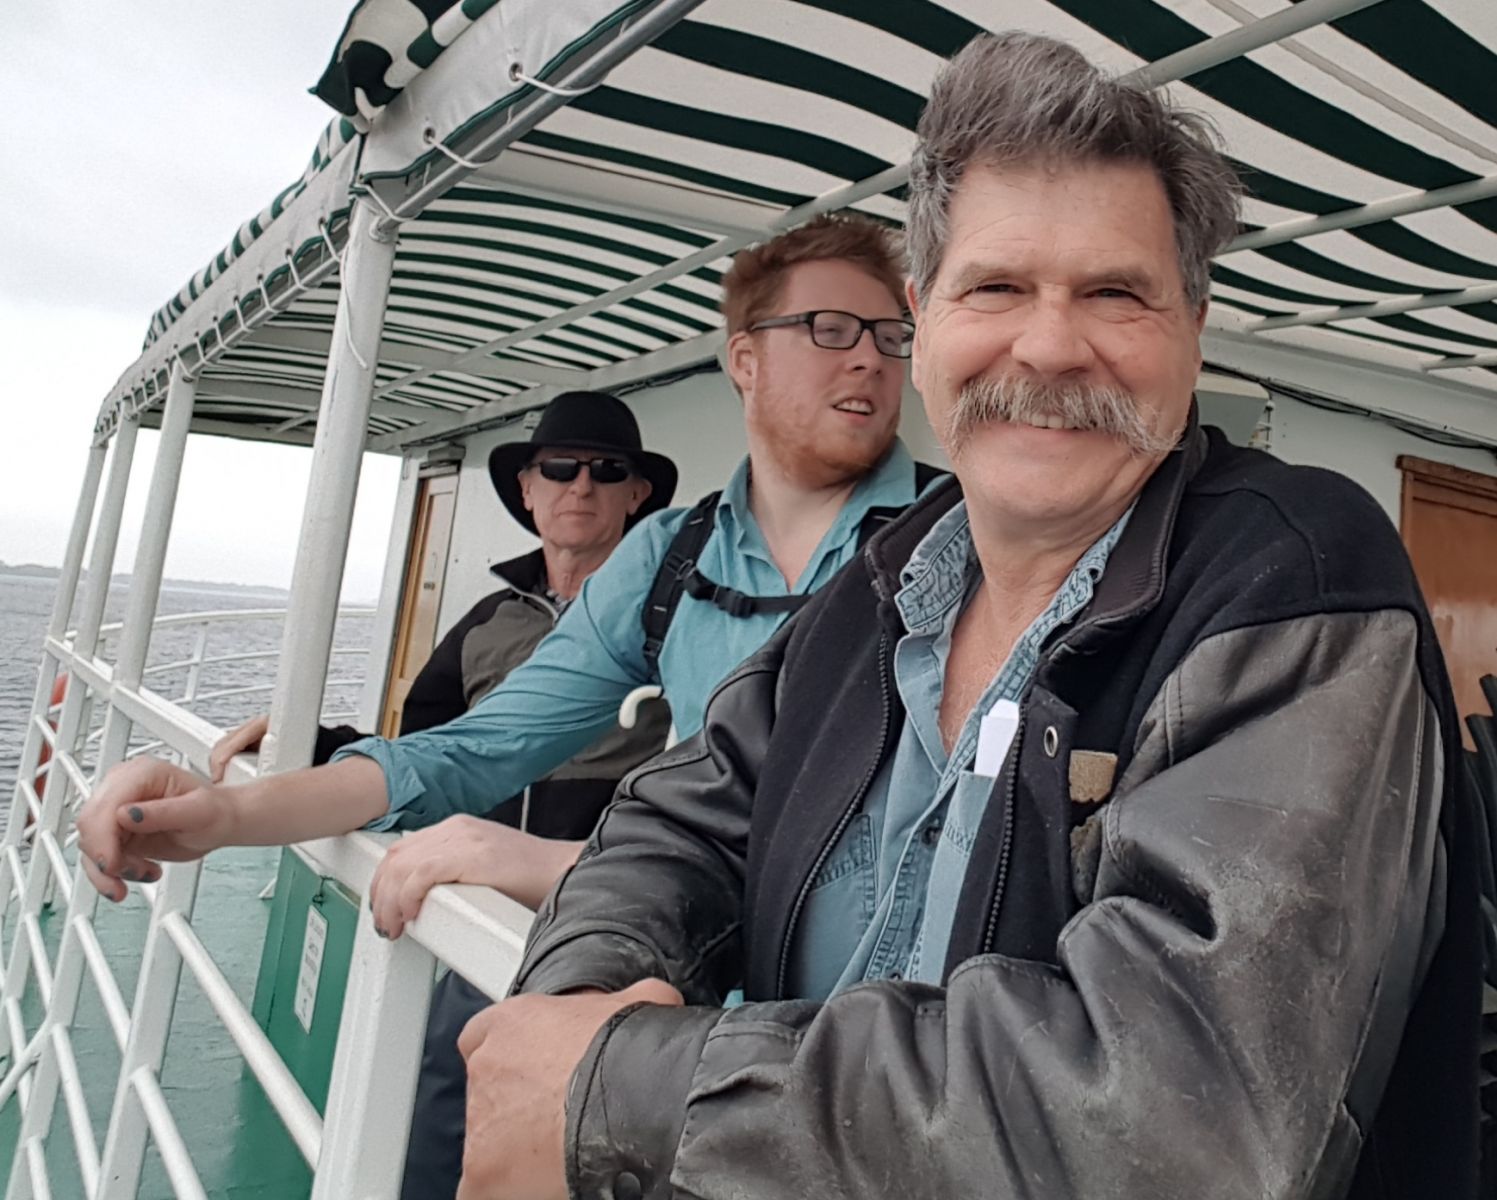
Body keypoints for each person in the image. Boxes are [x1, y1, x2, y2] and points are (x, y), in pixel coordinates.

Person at [450, 32, 1482, 1200]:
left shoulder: (1294, 574)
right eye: (996, 287)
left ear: (1192, 328)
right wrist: (584, 997)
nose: (1048, 345)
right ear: (923, 320)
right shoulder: (878, 588)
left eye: (1114, 293)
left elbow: (1184, 1115)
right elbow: (672, 825)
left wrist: (620, 1088)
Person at [78, 213, 944, 1197]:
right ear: (744, 359)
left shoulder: (951, 538)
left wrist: (539, 863)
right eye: (832, 328)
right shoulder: (673, 555)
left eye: (891, 335)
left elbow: (899, 846)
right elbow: (466, 749)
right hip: (674, 1019)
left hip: (864, 1060)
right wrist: (229, 812)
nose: (871, 360)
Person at [206, 388, 675, 830]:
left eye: (609, 470)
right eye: (558, 467)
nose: (582, 485)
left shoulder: (675, 616)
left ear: (638, 494)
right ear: (527, 489)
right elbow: (422, 745)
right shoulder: (485, 623)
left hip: (611, 890)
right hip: (472, 889)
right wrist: (310, 741)